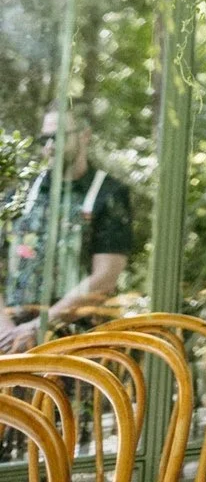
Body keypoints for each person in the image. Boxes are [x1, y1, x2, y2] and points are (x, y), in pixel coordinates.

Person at [0, 106, 132, 349]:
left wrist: (40, 327)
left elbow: (105, 277)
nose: (50, 145)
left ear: (85, 135)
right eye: (45, 138)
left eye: (58, 136)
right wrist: (7, 332)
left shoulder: (108, 194)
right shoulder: (20, 194)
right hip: (10, 338)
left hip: (76, 341)